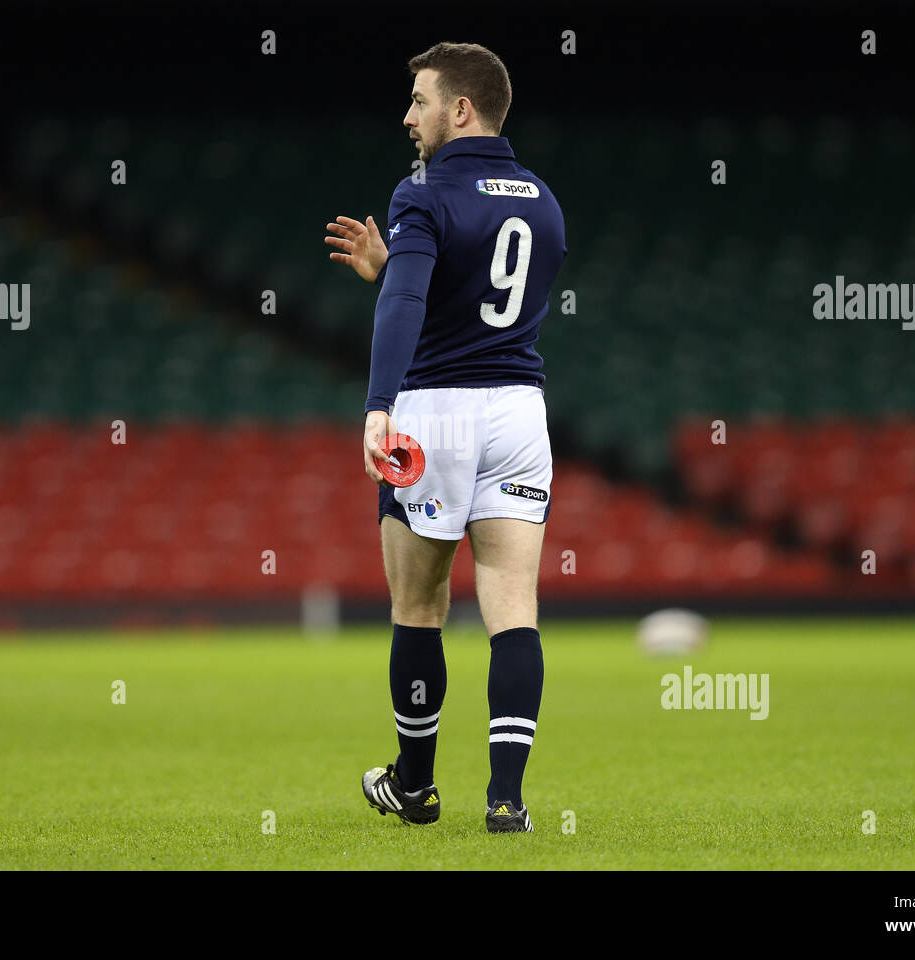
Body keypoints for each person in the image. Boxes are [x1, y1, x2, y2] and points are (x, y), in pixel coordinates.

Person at [325, 41, 566, 833]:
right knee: (513, 608)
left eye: (420, 101)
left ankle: (416, 785)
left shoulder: (421, 191)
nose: (408, 116)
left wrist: (377, 402)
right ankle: (506, 799)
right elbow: (478, 300)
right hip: (521, 413)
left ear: (460, 109)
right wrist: (399, 263)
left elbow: (407, 306)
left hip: (435, 411)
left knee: (419, 605)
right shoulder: (541, 199)